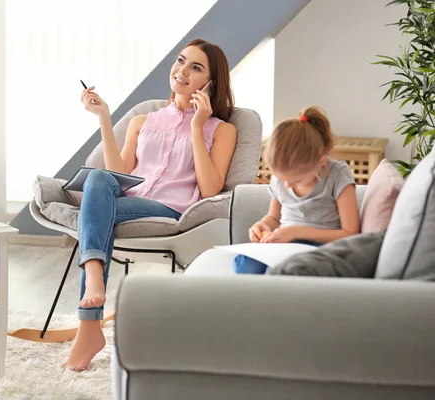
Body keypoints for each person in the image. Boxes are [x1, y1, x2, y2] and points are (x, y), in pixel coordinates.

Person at [65, 38, 237, 371]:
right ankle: (95, 287)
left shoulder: (222, 130)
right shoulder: (143, 121)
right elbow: (119, 174)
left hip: (170, 211)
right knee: (98, 179)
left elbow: (211, 187)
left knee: (97, 205)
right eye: (181, 61)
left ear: (211, 83)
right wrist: (104, 117)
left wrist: (197, 126)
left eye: (196, 68)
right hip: (127, 202)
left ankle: (89, 322)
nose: (182, 70)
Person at [233, 106, 360, 274]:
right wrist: (263, 225)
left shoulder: (337, 175)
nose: (287, 186)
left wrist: (295, 232)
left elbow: (350, 233)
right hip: (284, 240)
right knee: (244, 265)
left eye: (296, 180)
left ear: (321, 162)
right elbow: (273, 217)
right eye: (282, 179)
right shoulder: (283, 176)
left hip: (321, 246)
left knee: (281, 270)